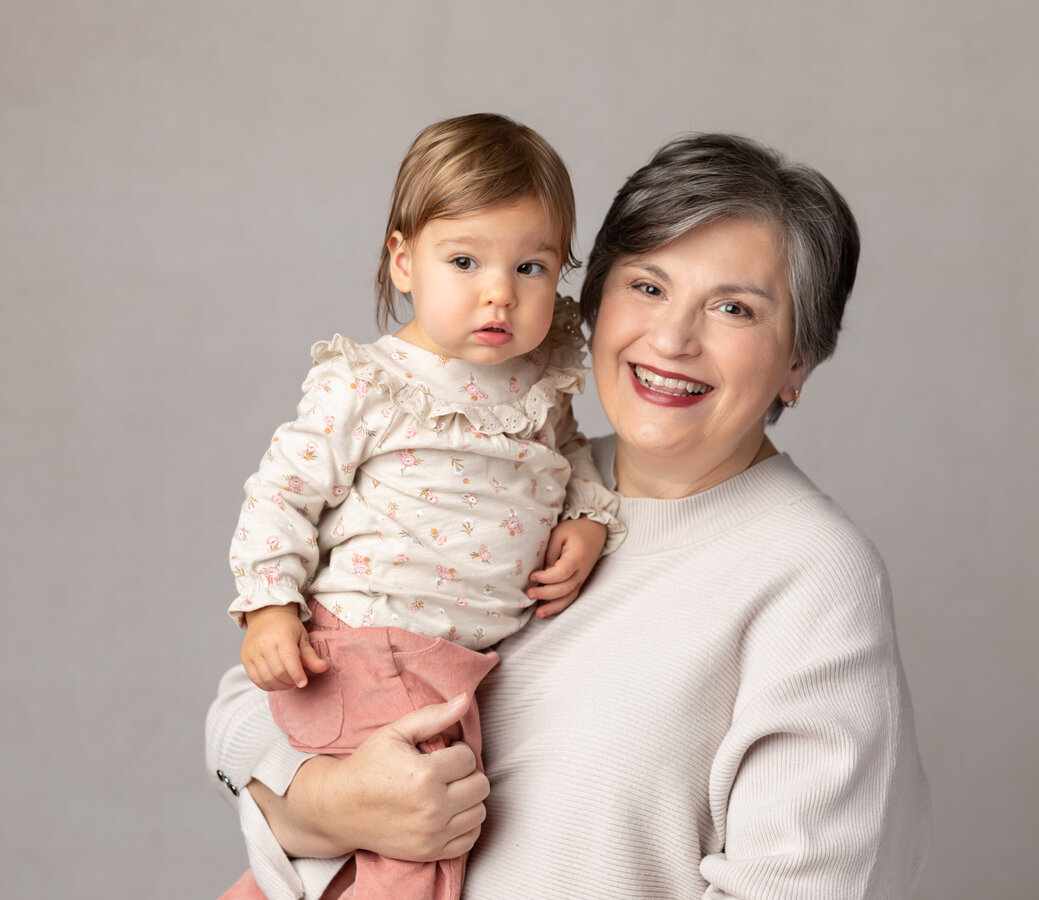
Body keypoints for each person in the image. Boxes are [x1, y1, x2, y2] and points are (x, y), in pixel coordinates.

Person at [208, 131, 932, 899]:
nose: (672, 338)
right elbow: (243, 713)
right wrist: (330, 805)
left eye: (733, 307)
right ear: (590, 304)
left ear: (798, 362)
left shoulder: (811, 576)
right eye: (648, 287)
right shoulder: (511, 478)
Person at [220, 113, 621, 899]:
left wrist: (586, 514)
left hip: (450, 661)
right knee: (422, 848)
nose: (499, 293)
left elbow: (565, 458)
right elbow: (282, 492)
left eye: (533, 268)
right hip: (374, 645)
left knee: (353, 859)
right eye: (465, 260)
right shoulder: (371, 384)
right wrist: (269, 608)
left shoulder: (539, 381)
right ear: (404, 261)